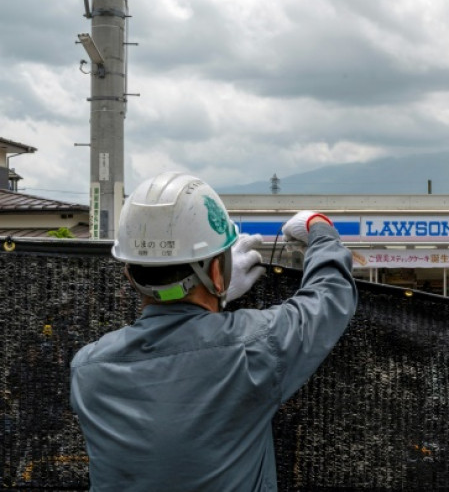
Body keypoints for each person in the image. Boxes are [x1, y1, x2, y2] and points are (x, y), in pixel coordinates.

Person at [69, 172, 358, 491]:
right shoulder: (253, 348)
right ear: (218, 270)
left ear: (129, 273)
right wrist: (319, 228)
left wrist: (213, 295)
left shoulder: (87, 370)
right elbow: (330, 296)